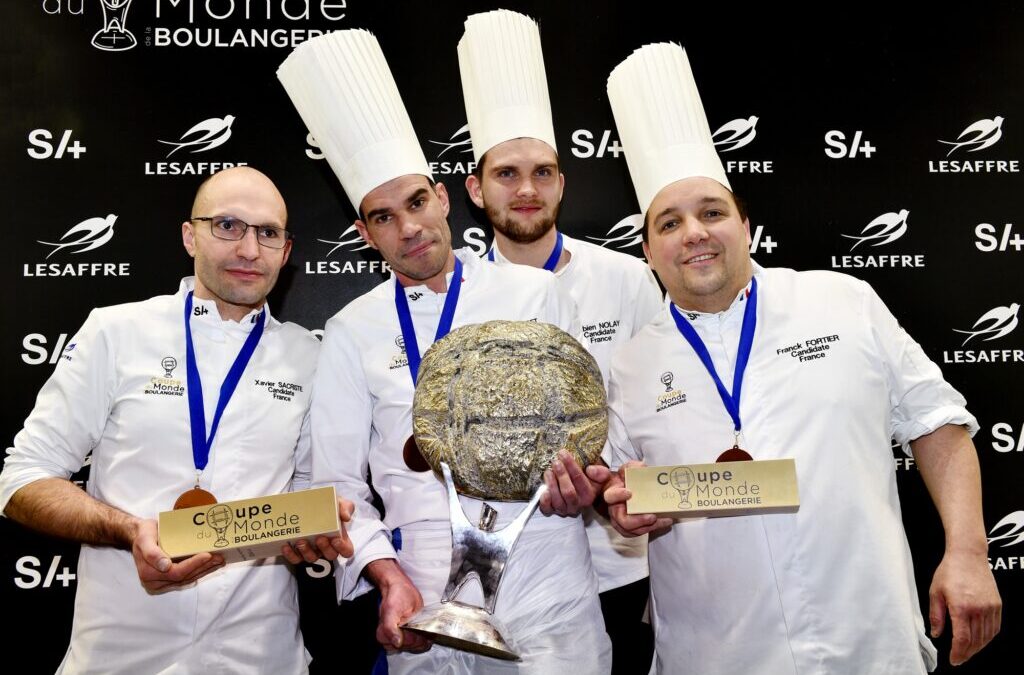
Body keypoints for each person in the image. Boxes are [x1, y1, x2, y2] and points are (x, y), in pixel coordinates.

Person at [591, 42, 1003, 674]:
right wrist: (622, 509)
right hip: (715, 654)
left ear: (746, 228)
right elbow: (623, 495)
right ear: (647, 250)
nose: (694, 233)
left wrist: (969, 553)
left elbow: (938, 425)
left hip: (866, 642)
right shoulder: (630, 365)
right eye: (669, 223)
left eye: (712, 212)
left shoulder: (842, 301)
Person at [279, 28, 612, 674]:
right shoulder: (352, 329)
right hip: (425, 597)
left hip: (546, 580)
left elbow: (582, 432)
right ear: (362, 232)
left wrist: (581, 484)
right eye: (382, 216)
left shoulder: (534, 292)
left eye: (415, 202)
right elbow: (338, 483)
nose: (408, 228)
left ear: (443, 196)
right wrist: (386, 576)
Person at [0, 166, 353, 674]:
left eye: (268, 233)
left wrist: (312, 526)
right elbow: (23, 479)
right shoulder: (116, 331)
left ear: (286, 250)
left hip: (260, 653)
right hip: (121, 651)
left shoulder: (309, 355)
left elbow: (302, 489)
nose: (250, 250)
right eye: (228, 226)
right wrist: (130, 531)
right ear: (191, 236)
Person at [457, 10, 661, 672]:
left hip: (623, 561)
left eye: (542, 172)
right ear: (474, 188)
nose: (526, 189)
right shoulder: (460, 301)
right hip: (514, 568)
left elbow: (652, 407)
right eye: (507, 173)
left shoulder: (628, 277)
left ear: (563, 183)